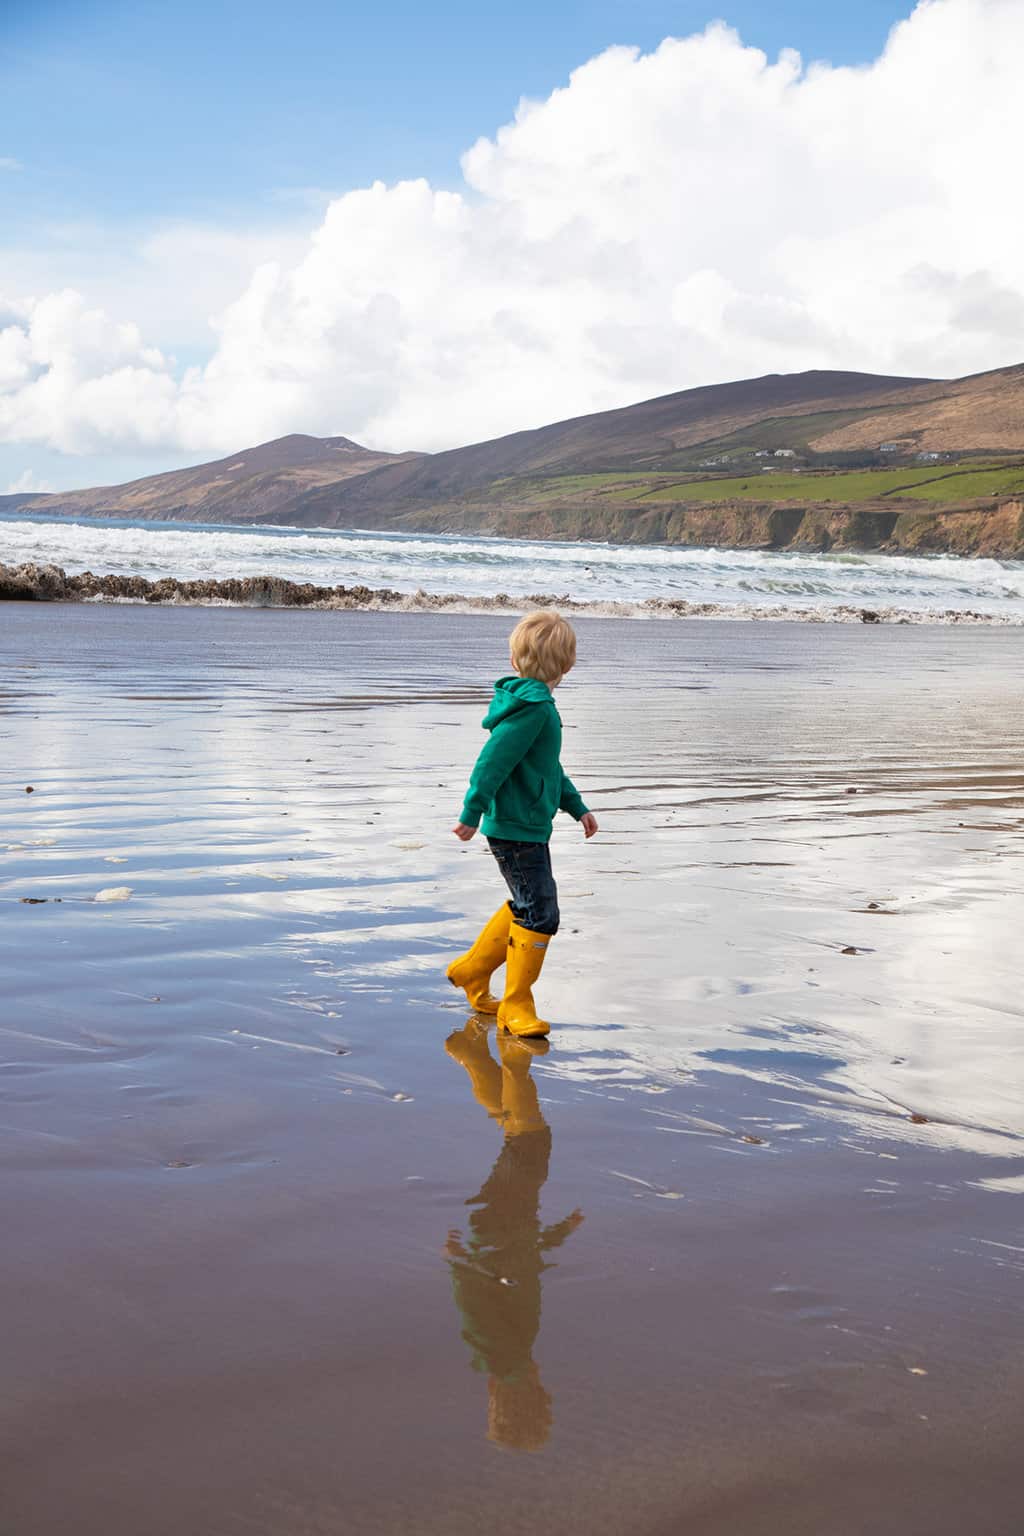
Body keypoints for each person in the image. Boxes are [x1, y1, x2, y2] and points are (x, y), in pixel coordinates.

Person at [448, 611, 598, 1039]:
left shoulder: (537, 708)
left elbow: (546, 767)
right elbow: (492, 761)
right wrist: (471, 812)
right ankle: (514, 1004)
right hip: (515, 826)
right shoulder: (534, 710)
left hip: (524, 823)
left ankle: (472, 973)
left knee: (528, 905)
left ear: (516, 661)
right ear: (568, 664)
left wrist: (576, 806)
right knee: (540, 912)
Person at [444, 1021, 583, 1450]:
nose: (551, 1392)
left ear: (532, 1395)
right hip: (511, 1231)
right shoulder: (513, 1356)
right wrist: (558, 1233)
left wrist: (459, 1260)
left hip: (497, 1229)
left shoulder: (504, 1355)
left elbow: (476, 1304)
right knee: (525, 1142)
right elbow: (526, 1271)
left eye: (545, 1401)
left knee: (531, 1142)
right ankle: (485, 1063)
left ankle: (484, 1059)